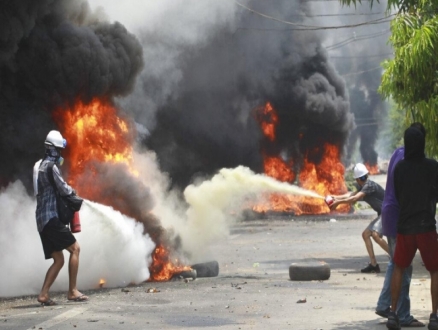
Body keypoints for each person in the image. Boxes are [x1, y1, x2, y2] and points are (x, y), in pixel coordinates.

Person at [386, 126, 438, 330]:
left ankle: (393, 313)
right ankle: (434, 316)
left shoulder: (400, 168)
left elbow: (398, 195)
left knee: (399, 267)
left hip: (405, 227)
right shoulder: (432, 166)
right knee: (435, 270)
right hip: (426, 226)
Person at [34, 130, 88, 306]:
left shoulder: (38, 166)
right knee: (75, 249)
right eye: (59, 150)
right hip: (50, 219)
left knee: (59, 259)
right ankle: (72, 291)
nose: (60, 155)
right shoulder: (51, 167)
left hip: (41, 221)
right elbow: (64, 189)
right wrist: (74, 193)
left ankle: (43, 294)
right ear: (54, 150)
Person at [329, 163, 389, 273]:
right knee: (366, 234)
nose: (363, 179)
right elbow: (351, 195)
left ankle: (396, 258)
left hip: (387, 213)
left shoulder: (369, 186)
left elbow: (355, 198)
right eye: (362, 177)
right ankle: (374, 264)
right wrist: (336, 197)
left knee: (375, 234)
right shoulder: (363, 186)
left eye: (363, 177)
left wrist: (338, 202)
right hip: (382, 213)